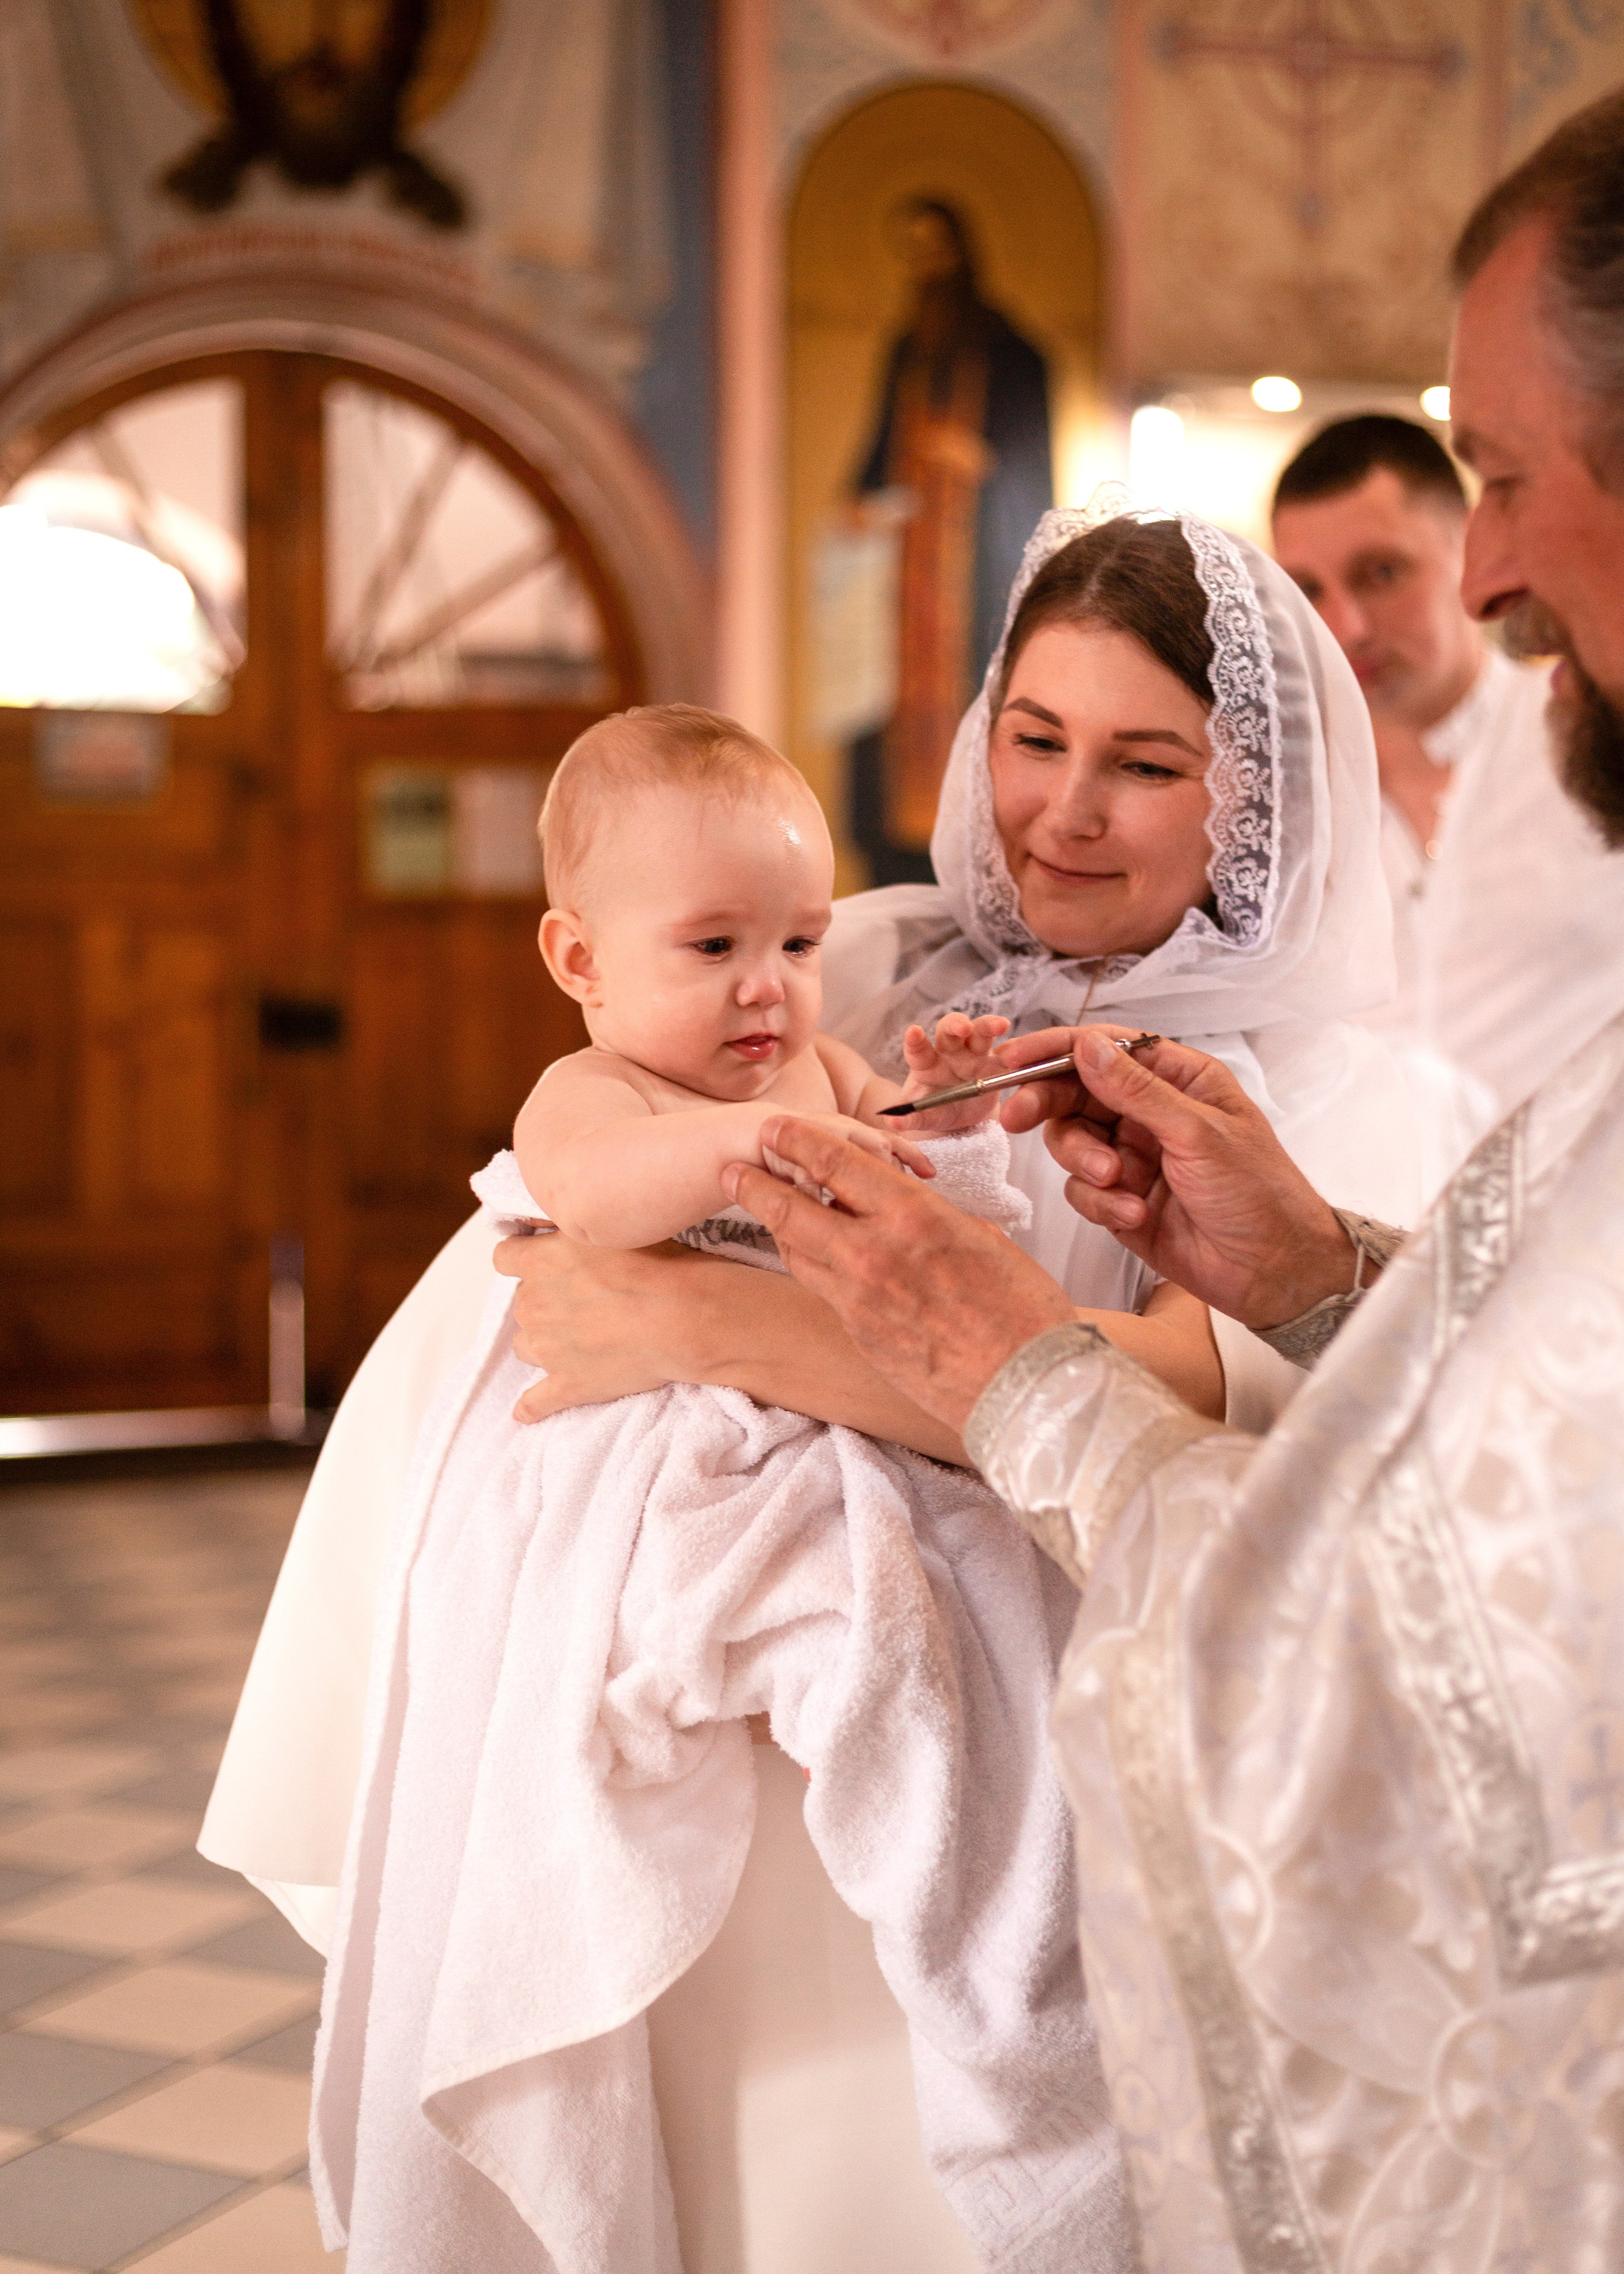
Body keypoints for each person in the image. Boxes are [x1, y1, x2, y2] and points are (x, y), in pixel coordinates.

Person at [202, 506, 1420, 2269]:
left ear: (1262, 793)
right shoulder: (858, 952)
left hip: (1027, 1636)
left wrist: (716, 1329)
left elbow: (1219, 1392)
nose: (1065, 811)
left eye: (1145, 763)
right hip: (663, 1638)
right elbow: (582, 1199)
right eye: (1033, 739)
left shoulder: (1341, 1074)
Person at [721, 89, 1624, 2270]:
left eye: (1494, 480)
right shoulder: (884, 965)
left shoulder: (1373, 1047)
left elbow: (1414, 1689)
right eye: (1032, 739)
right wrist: (1317, 1273)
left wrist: (1011, 1362)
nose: (1486, 574)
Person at [311, 706, 1125, 2270]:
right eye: (710, 945)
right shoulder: (593, 1092)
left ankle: (1010, 2000)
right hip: (645, 1444)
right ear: (580, 961)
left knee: (986, 1623)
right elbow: (603, 1201)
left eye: (797, 937)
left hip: (820, 1415)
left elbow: (921, 1226)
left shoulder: (817, 1063)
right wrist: (766, 1138)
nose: (766, 984)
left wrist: (936, 1128)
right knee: (854, 1622)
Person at [1272, 411, 1624, 1183]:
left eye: (1381, 573)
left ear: (1466, 542)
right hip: (1360, 1247)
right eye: (1308, 590)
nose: (1346, 625)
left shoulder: (1594, 736)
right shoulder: (1283, 807)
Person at [847, 197, 1052, 884]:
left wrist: (971, 452)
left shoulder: (1012, 353)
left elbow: (1030, 471)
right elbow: (879, 450)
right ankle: (897, 846)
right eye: (913, 250)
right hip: (908, 569)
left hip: (974, 566)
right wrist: (857, 501)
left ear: (962, 252)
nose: (925, 264)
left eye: (935, 247)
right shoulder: (907, 348)